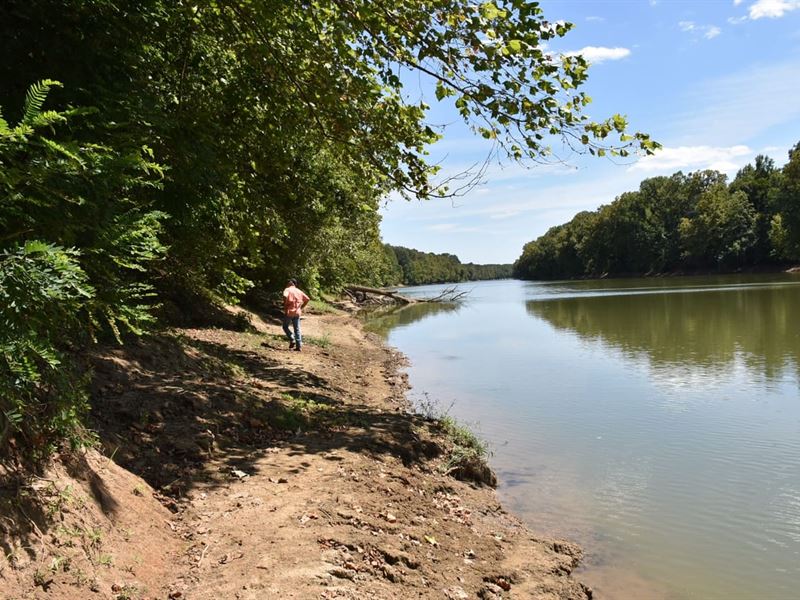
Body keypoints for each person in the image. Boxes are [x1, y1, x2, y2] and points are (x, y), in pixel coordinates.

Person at [282, 278, 310, 351]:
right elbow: (307, 299)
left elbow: (285, 296)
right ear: (295, 284)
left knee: (285, 326)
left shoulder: (287, 289)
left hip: (289, 311)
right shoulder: (299, 291)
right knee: (297, 329)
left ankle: (292, 339)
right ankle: (299, 346)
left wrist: (285, 305)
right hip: (297, 312)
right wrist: (301, 307)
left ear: (290, 283)